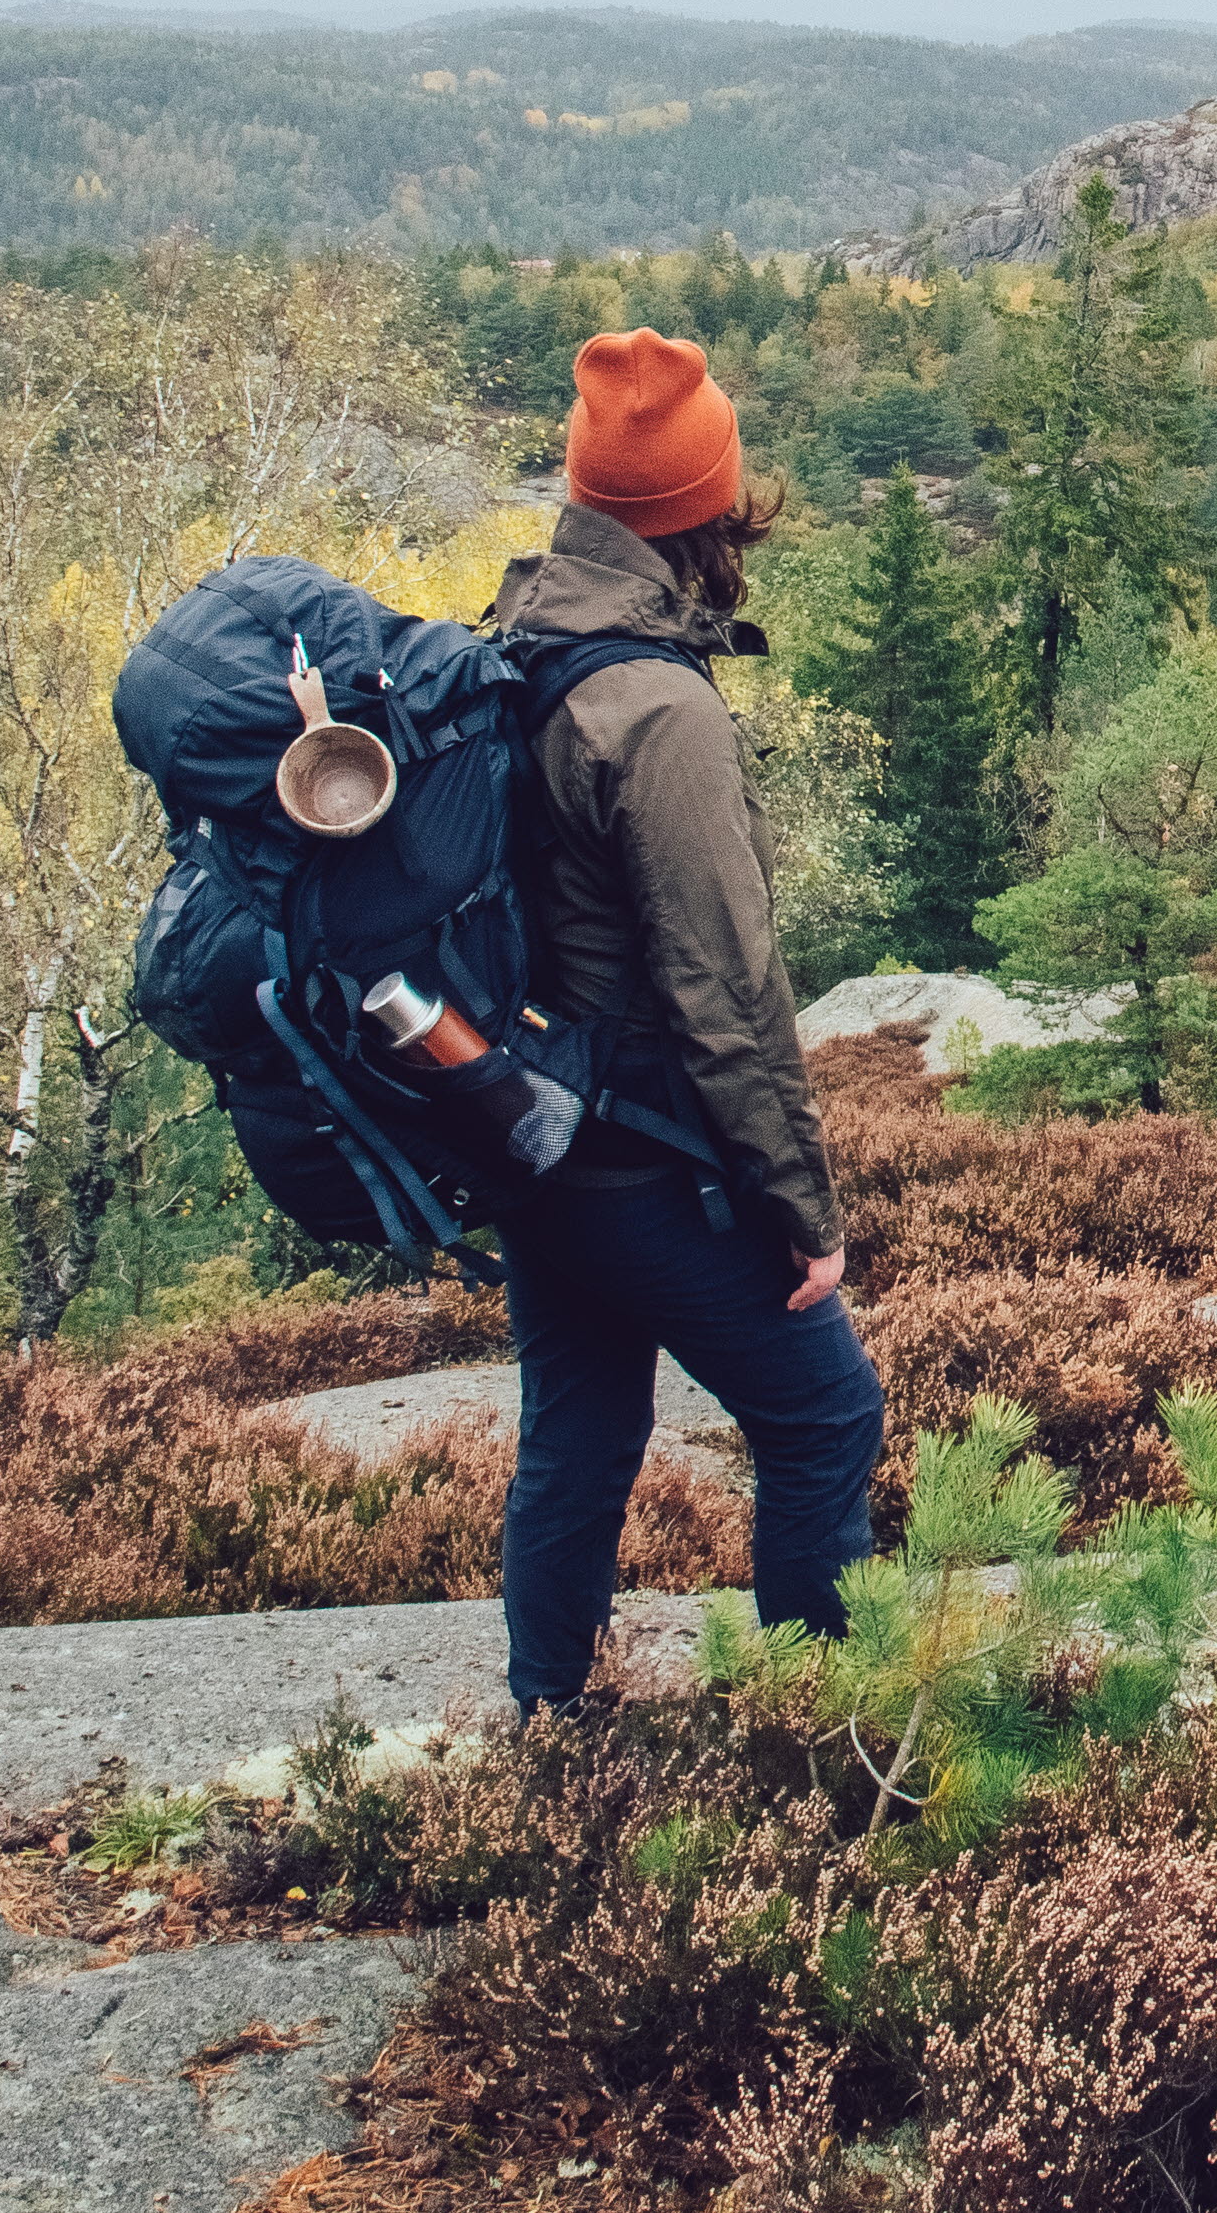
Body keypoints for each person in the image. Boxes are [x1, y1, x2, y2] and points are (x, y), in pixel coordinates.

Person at [487, 327, 883, 1713]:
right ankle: (826, 1750)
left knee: (578, 1438)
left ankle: (550, 1734)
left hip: (532, 1135)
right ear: (699, 511)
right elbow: (726, 996)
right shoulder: (659, 711)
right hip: (644, 1153)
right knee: (826, 1414)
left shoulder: (522, 644)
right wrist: (804, 1210)